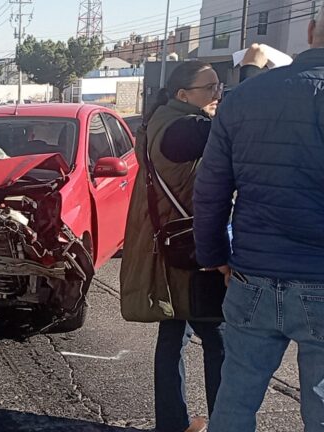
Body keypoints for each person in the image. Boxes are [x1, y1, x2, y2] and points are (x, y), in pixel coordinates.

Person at [193, 9, 324, 432]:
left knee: (234, 401)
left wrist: (216, 256)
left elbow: (210, 189)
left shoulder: (244, 98)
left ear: (309, 31)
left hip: (251, 279)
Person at [120, 61, 226, 432]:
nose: (218, 93)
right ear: (184, 95)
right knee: (217, 340)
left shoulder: (159, 121)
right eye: (210, 87)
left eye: (219, 85)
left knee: (173, 335)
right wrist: (251, 75)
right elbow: (240, 127)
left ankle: (172, 423)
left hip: (169, 245)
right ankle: (224, 422)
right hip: (192, 250)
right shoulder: (187, 128)